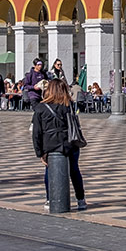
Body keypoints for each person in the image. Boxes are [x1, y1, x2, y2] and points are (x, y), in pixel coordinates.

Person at [31, 77, 86, 211]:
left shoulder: (40, 108)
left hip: (50, 145)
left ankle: (50, 198)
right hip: (70, 142)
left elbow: (36, 133)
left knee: (49, 171)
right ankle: (80, 199)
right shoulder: (68, 106)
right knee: (74, 171)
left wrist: (40, 153)